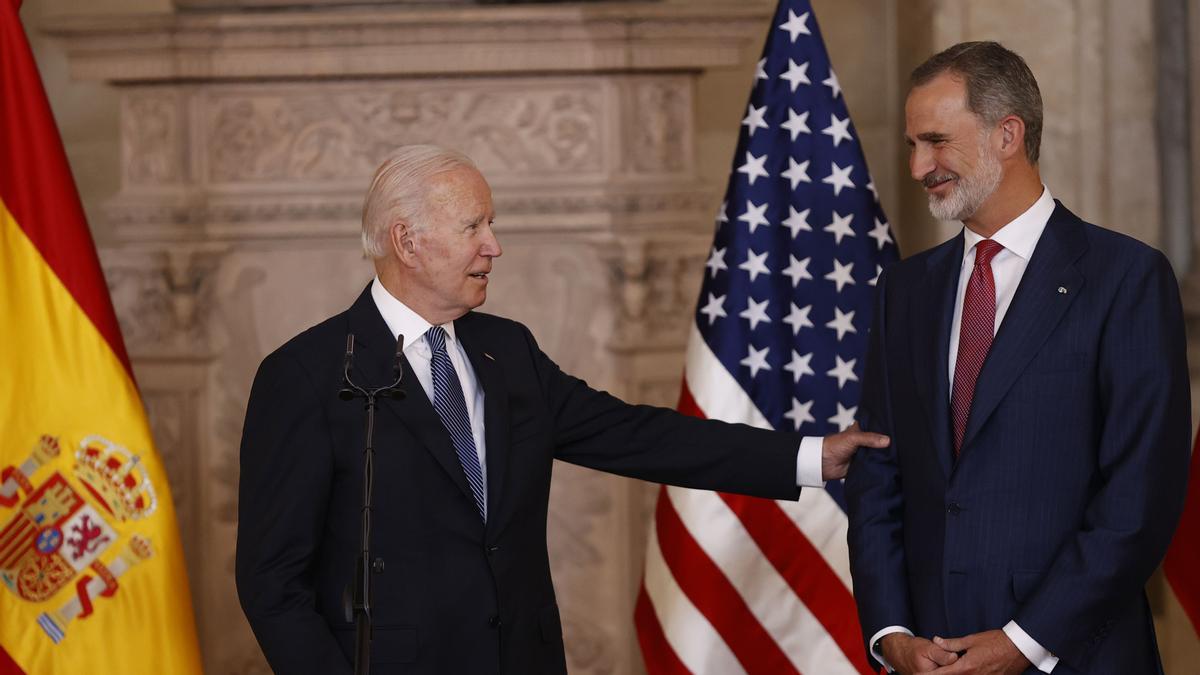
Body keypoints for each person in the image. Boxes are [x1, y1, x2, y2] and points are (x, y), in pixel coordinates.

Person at [235, 144, 888, 675]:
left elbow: (633, 434)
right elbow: (272, 582)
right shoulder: (309, 376)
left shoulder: (506, 350)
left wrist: (808, 454)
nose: (495, 246)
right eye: (474, 227)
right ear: (408, 241)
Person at [845, 41, 1191, 675]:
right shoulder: (905, 289)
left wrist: (1024, 641)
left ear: (1008, 134)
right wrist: (891, 632)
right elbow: (877, 476)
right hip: (929, 656)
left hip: (1078, 656)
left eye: (936, 141)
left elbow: (1139, 497)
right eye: (912, 146)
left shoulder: (1126, 278)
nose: (920, 165)